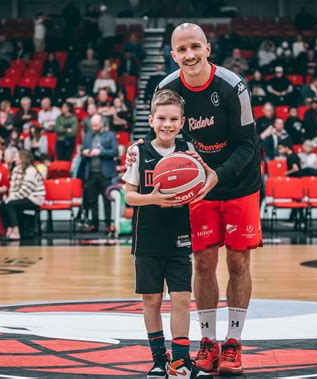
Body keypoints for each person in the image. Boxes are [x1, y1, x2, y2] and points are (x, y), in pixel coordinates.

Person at [128, 23, 262, 375]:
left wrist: (218, 174)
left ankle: (233, 343)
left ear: (207, 48)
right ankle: (208, 341)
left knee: (238, 264)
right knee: (202, 263)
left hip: (239, 182)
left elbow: (248, 145)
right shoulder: (166, 87)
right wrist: (136, 153)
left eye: (195, 47)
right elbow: (159, 133)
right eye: (181, 50)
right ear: (173, 55)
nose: (189, 55)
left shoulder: (233, 86)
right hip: (196, 184)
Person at [122, 89, 212, 379]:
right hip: (147, 236)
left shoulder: (188, 152)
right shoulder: (138, 151)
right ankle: (159, 359)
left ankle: (181, 361)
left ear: (182, 121)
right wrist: (155, 199)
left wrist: (198, 189)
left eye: (174, 119)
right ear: (150, 120)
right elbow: (129, 197)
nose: (167, 124)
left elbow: (207, 179)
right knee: (151, 300)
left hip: (179, 236)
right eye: (161, 118)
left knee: (183, 298)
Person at [81, 114, 118, 234]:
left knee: (107, 201)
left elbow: (115, 151)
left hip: (105, 173)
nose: (94, 127)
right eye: (92, 125)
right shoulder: (87, 136)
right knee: (92, 201)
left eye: (96, 125)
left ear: (102, 123)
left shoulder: (110, 135)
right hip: (91, 173)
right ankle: (94, 224)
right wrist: (84, 152)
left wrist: (100, 152)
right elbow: (82, 151)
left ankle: (108, 225)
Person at [0, 150, 45, 240]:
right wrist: (11, 197)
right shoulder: (16, 169)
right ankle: (9, 229)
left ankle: (16, 231)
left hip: (34, 198)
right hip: (20, 196)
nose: (14, 159)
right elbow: (13, 186)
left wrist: (12, 198)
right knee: (2, 205)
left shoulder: (31, 170)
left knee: (10, 204)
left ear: (22, 159)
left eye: (16, 157)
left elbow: (26, 190)